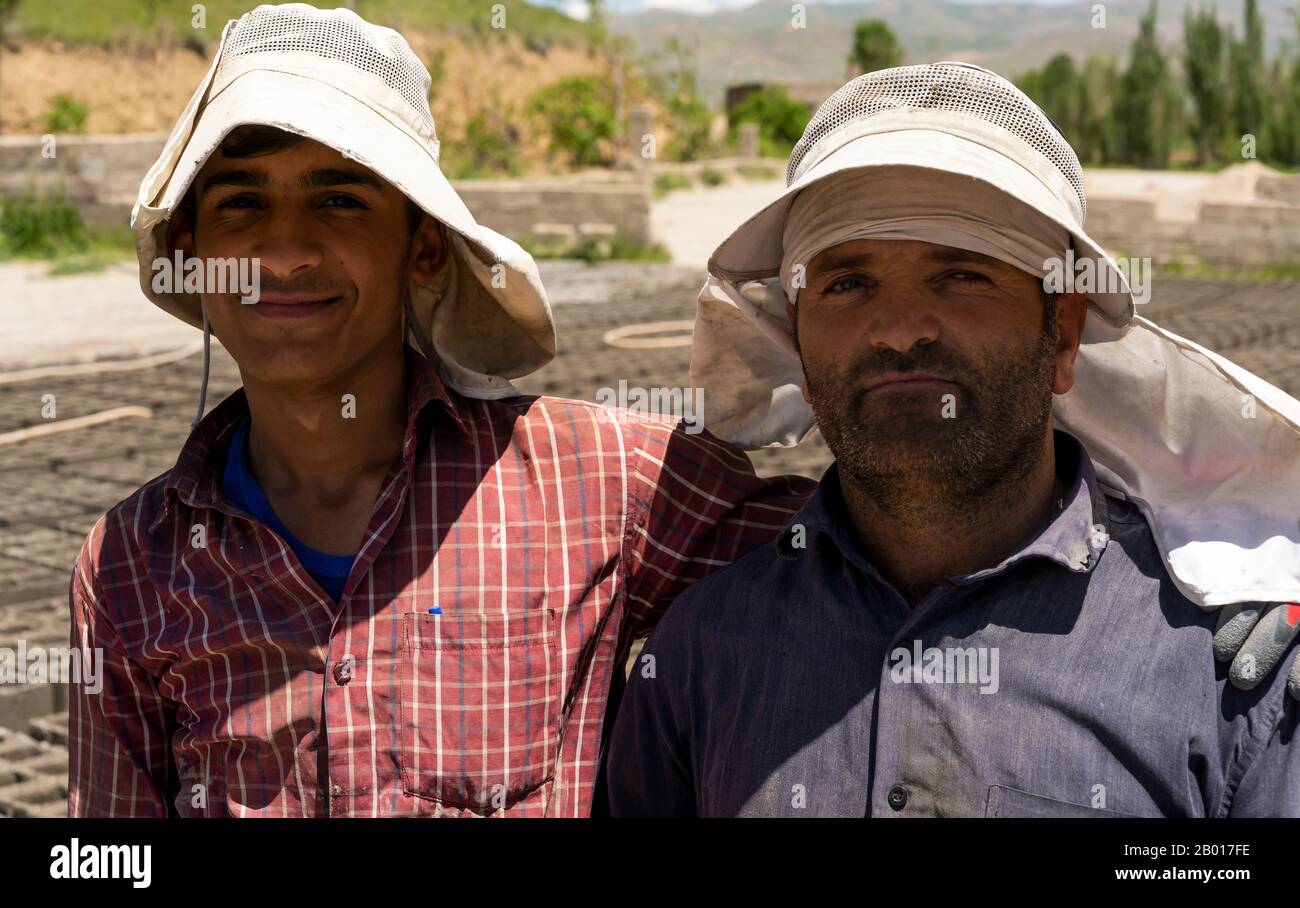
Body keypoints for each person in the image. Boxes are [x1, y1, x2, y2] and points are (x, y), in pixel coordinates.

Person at [65, 2, 812, 817]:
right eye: (241, 202)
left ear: (422, 246)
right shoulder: (130, 568)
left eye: (339, 200)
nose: (283, 252)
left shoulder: (601, 485)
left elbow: (876, 559)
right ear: (193, 255)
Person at [604, 62, 1300, 817]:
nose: (901, 330)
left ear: (1062, 333)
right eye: (846, 284)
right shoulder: (699, 658)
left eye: (963, 275)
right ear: (798, 347)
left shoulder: (1228, 674)